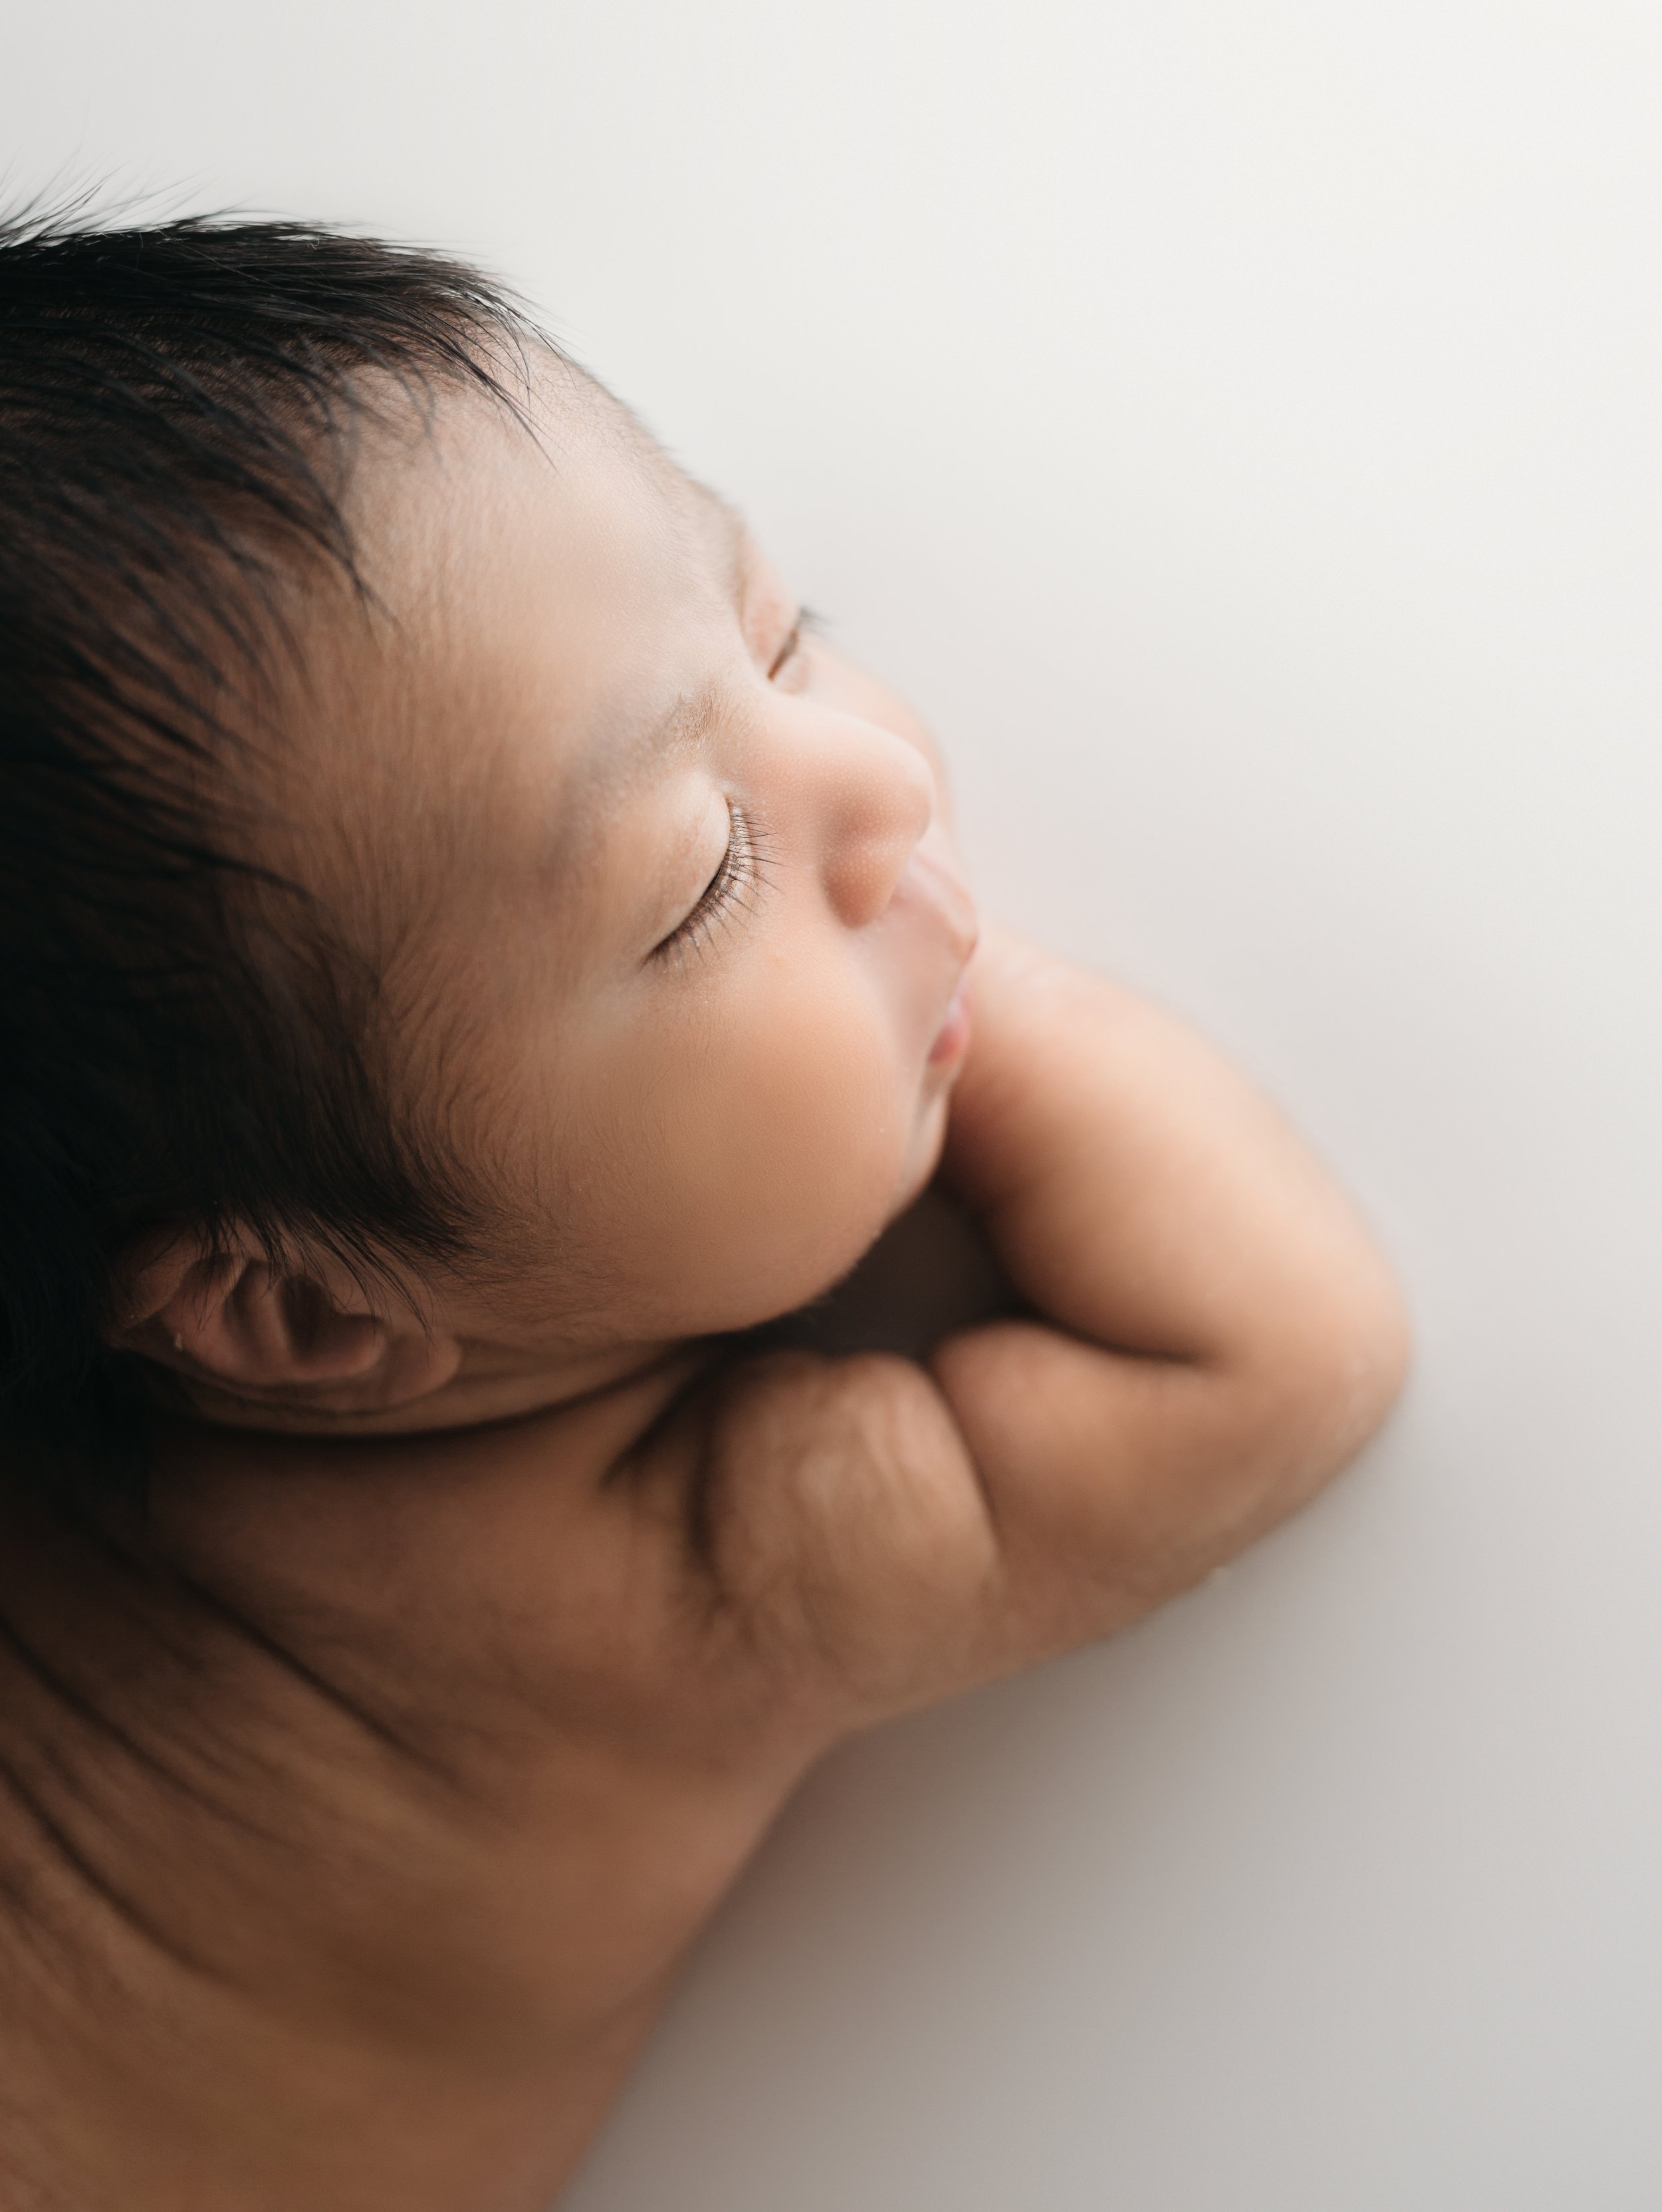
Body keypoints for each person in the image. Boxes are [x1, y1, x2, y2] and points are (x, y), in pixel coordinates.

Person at [0, 210, 1409, 2211]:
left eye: (774, 630)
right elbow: (1268, 1353)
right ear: (311, 1320)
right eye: (695, 884)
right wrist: (965, 971)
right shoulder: (655, 1593)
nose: (880, 783)